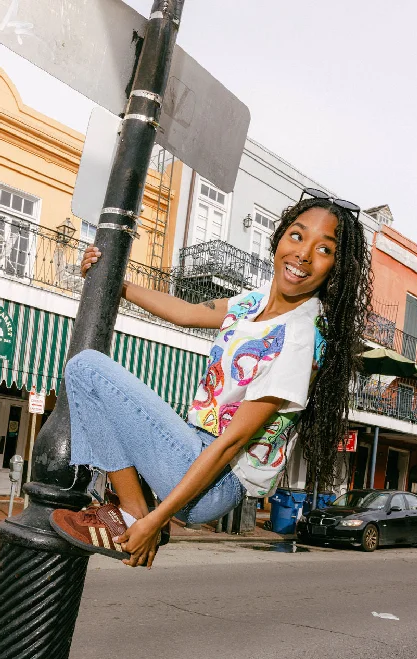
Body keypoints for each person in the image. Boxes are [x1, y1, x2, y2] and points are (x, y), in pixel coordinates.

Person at [50, 189, 372, 568]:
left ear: (337, 268)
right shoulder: (255, 304)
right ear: (280, 236)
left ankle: (135, 511)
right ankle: (133, 508)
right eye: (298, 235)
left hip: (215, 480)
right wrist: (113, 282)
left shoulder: (299, 339)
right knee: (97, 386)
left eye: (324, 249)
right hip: (192, 453)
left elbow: (230, 444)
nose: (303, 254)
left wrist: (157, 520)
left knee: (86, 368)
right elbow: (186, 312)